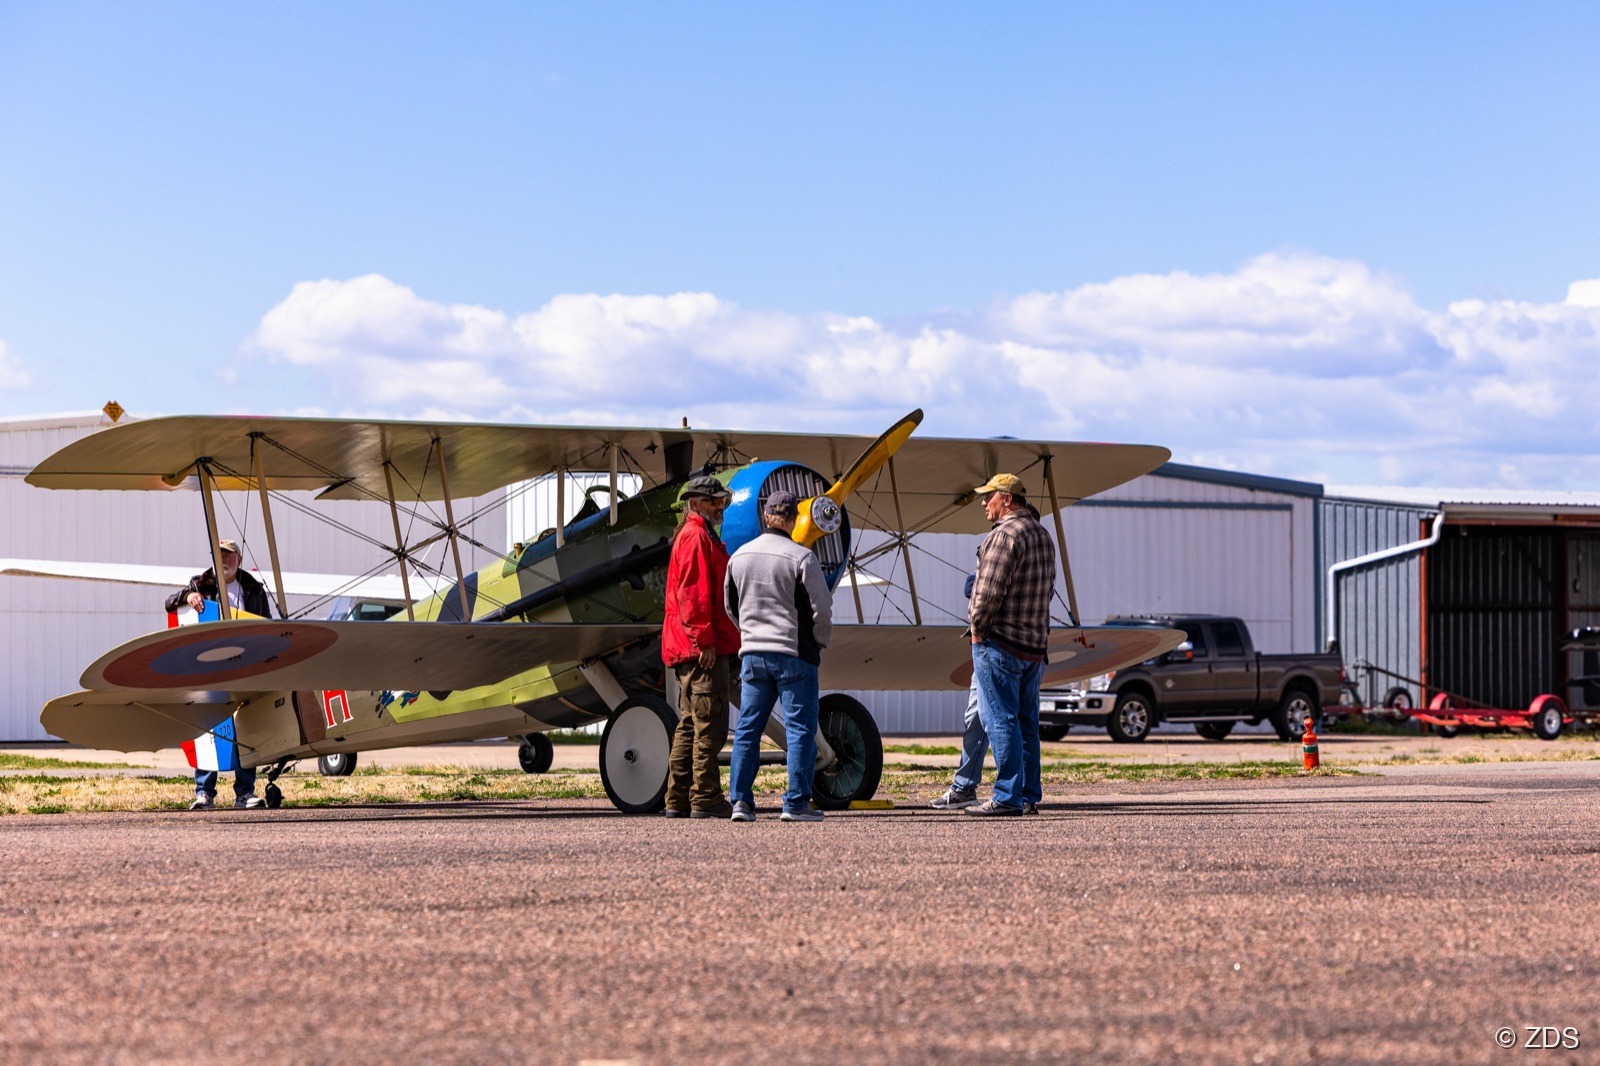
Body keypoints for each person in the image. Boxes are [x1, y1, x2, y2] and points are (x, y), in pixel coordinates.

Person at [724, 490, 833, 823]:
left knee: (748, 729)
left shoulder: (738, 557)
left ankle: (740, 802)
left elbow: (730, 606)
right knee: (800, 729)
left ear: (766, 516)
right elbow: (822, 608)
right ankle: (795, 803)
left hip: (753, 654)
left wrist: (749, 633)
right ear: (794, 518)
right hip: (793, 653)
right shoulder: (801, 557)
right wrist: (818, 644)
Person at [965, 475, 1055, 816]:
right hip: (1034, 645)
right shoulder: (1042, 535)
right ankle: (1029, 794)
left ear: (1005, 498)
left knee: (1000, 720)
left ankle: (1005, 796)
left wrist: (977, 630)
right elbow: (1047, 591)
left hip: (1000, 644)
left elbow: (986, 593)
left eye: (988, 497)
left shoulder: (1003, 535)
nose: (983, 503)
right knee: (1026, 724)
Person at [163, 539, 272, 810]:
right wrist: (187, 597)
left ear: (239, 560)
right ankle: (204, 792)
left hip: (246, 667)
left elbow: (268, 623)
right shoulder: (201, 583)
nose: (224, 560)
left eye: (229, 556)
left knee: (248, 726)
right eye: (219, 555)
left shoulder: (254, 589)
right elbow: (169, 604)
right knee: (207, 724)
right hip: (211, 667)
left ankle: (245, 793)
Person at [660, 475, 741, 819]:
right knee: (710, 724)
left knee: (690, 724)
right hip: (700, 648)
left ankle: (677, 799)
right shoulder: (696, 537)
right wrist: (704, 641)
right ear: (694, 504)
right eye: (713, 501)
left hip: (687, 647)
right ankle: (705, 799)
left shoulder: (694, 534)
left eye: (720, 500)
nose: (719, 506)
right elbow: (693, 596)